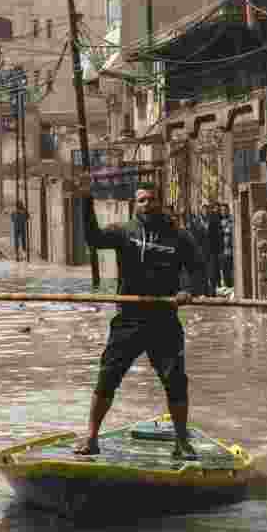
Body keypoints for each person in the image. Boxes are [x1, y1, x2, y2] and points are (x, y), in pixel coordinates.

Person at [75, 182, 205, 460]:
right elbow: (94, 239)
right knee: (107, 377)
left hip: (164, 319)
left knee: (175, 381)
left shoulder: (179, 236)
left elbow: (197, 269)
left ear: (160, 202)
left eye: (151, 199)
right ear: (136, 204)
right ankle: (91, 437)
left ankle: (182, 442)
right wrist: (86, 202)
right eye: (142, 200)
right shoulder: (123, 232)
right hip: (129, 318)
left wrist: (188, 290)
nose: (147, 204)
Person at [219, 203, 234, 289]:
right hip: (222, 250)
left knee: (230, 269)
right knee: (224, 269)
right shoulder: (219, 220)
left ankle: (231, 286)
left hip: (230, 250)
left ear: (228, 210)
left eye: (225, 210)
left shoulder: (231, 220)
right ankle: (227, 285)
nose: (223, 212)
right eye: (222, 210)